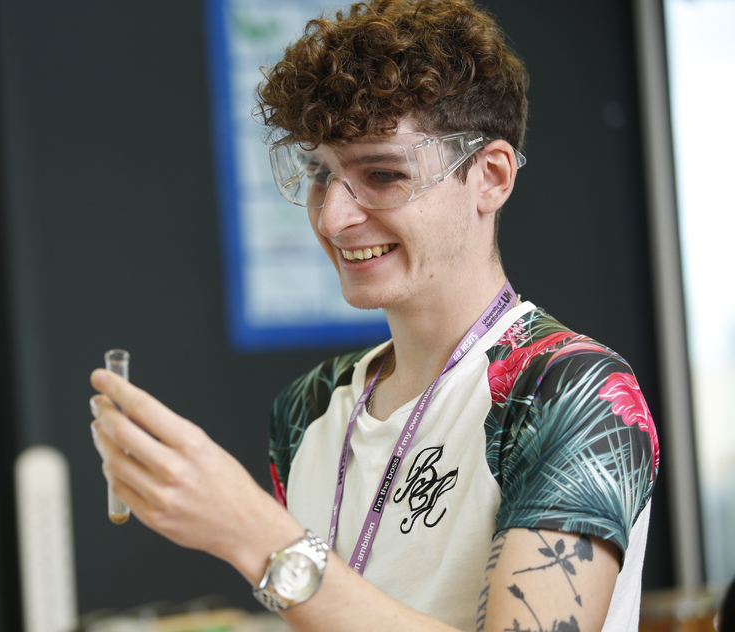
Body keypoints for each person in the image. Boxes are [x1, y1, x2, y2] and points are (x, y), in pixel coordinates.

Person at [89, 1, 658, 631]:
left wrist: (252, 535)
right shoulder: (309, 409)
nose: (333, 219)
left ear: (491, 177)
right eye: (318, 175)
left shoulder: (571, 392)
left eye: (383, 174)